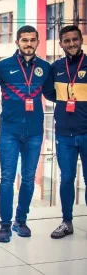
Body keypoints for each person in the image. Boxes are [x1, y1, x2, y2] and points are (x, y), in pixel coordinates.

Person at [0, 25, 52, 243]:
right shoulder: (3, 67)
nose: (28, 44)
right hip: (9, 131)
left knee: (28, 179)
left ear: (37, 42)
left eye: (32, 40)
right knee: (6, 179)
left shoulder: (45, 68)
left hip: (35, 132)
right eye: (24, 40)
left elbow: (55, 94)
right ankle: (5, 225)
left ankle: (21, 221)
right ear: (17, 42)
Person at [44, 25, 87, 239]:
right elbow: (49, 91)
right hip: (64, 134)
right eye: (67, 40)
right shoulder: (56, 67)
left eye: (74, 39)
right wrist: (66, 101)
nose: (71, 44)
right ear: (61, 44)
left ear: (81, 41)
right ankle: (67, 222)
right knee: (67, 179)